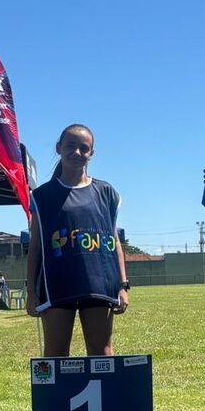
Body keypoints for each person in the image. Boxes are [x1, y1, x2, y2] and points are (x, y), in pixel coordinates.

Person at [26, 124, 129, 357]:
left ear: (91, 154)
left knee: (101, 353)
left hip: (99, 285)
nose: (77, 153)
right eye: (71, 146)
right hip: (56, 286)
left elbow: (114, 242)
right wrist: (31, 291)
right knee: (55, 354)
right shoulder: (42, 197)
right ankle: (59, 396)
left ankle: (106, 395)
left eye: (84, 148)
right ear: (59, 148)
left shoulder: (107, 193)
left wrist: (122, 286)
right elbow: (35, 248)